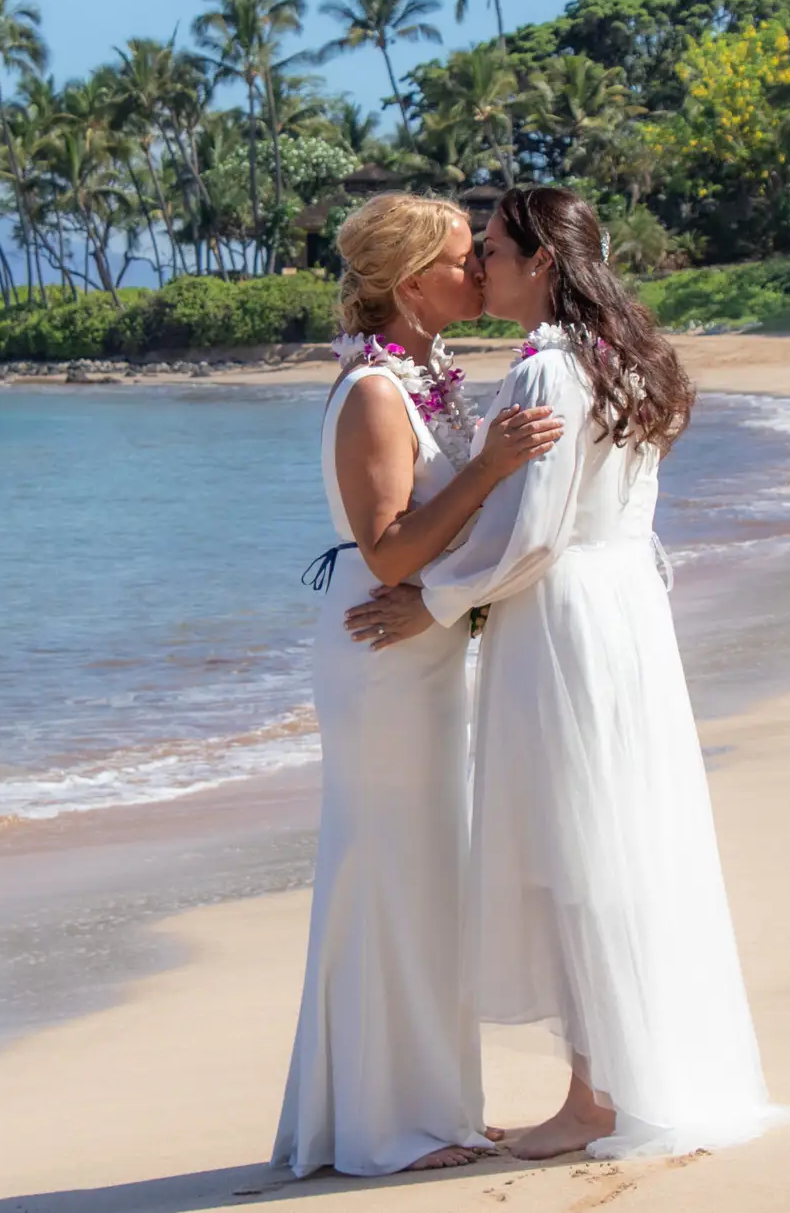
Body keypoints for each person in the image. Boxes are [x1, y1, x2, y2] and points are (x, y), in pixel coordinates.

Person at [349, 186, 790, 1161]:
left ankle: (594, 1097)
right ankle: (616, 1079)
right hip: (624, 610)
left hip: (561, 620)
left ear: (541, 261)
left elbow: (536, 534)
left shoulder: (548, 369)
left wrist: (435, 601)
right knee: (617, 837)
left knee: (574, 849)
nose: (481, 267)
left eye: (492, 249)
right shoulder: (619, 356)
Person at [273, 193, 565, 1177]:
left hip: (422, 650)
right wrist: (489, 467)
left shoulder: (423, 379)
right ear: (407, 283)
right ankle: (385, 1126)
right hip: (382, 656)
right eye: (459, 258)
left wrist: (467, 600)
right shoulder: (372, 393)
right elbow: (390, 552)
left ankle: (425, 1106)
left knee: (427, 873)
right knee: (391, 870)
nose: (477, 270)